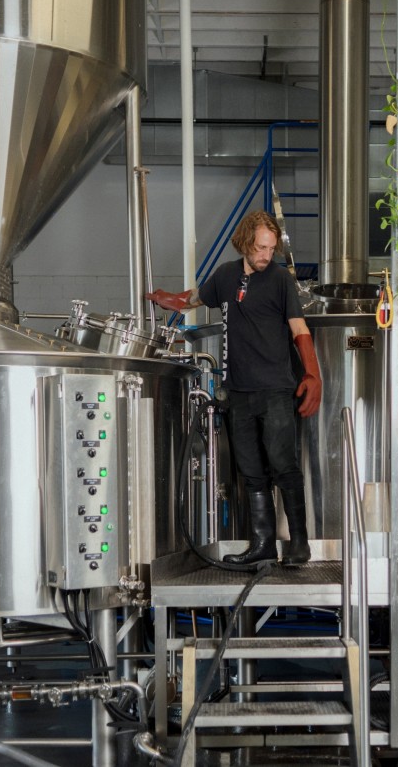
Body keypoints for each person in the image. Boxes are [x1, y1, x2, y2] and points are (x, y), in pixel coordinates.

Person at [145, 210, 322, 567]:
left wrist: (312, 374)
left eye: (271, 249)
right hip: (239, 391)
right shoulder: (226, 276)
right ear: (245, 243)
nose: (265, 255)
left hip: (275, 389)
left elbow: (299, 328)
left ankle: (299, 544)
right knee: (251, 470)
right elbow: (196, 297)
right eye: (260, 248)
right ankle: (262, 545)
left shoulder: (280, 280)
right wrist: (171, 300)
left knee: (283, 464)